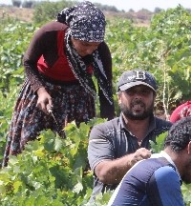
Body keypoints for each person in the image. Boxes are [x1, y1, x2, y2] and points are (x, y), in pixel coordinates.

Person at [3, 1, 115, 167]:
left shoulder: (101, 51)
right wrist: (40, 90)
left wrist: (107, 128)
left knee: (75, 149)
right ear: (72, 34)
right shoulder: (49, 34)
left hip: (77, 98)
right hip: (42, 89)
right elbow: (28, 62)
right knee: (30, 146)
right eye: (85, 44)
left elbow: (105, 92)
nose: (90, 50)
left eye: (95, 46)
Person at [88, 70, 172, 199]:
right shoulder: (103, 131)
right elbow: (103, 172)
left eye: (144, 92)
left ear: (154, 97)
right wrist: (132, 161)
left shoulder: (170, 131)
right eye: (131, 92)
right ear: (119, 97)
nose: (137, 97)